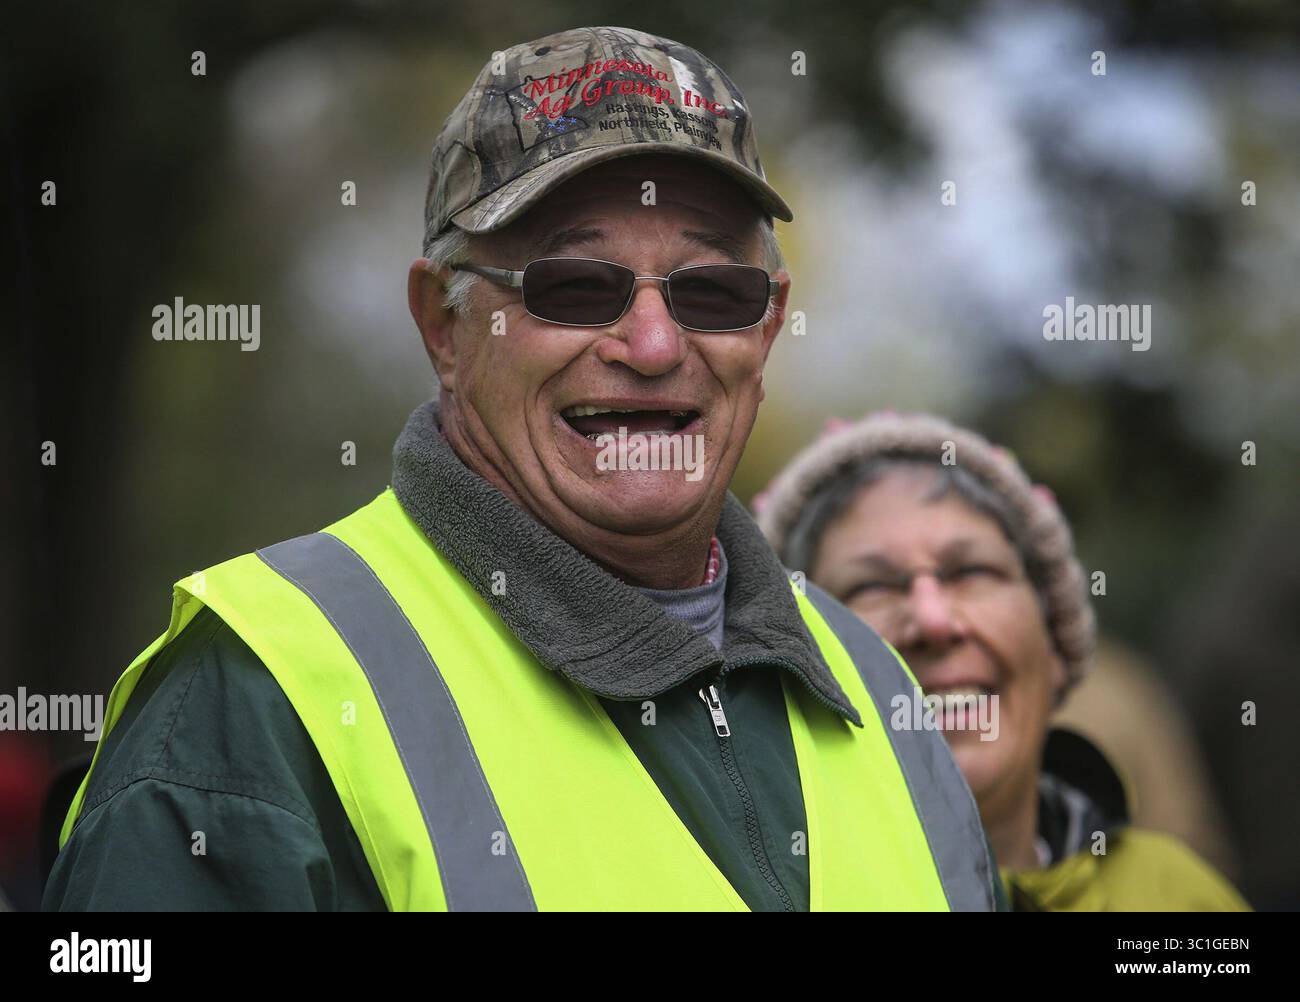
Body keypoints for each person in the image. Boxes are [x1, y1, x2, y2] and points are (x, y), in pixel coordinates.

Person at [44, 28, 998, 912]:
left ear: (769, 323)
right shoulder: (254, 702)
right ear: (444, 327)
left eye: (713, 291)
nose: (657, 344)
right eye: (576, 286)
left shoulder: (877, 686)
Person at [757, 411, 1249, 911]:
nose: (932, 620)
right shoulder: (756, 893)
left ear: (1055, 643)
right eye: (872, 585)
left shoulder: (1176, 896)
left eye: (972, 570)